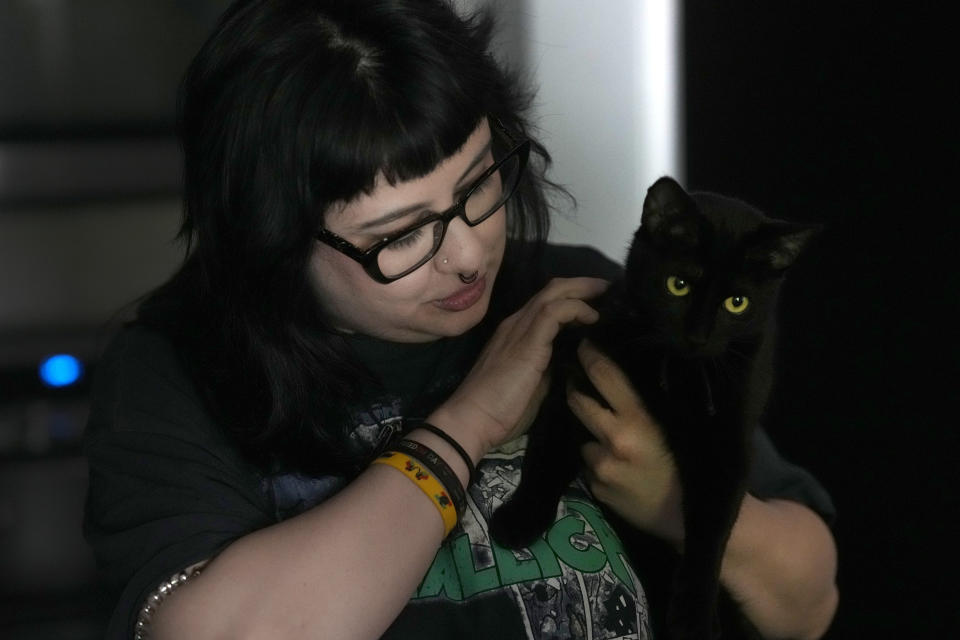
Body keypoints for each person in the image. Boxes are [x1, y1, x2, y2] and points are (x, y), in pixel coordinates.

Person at [82, 1, 838, 638]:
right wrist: (469, 421)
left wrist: (678, 500)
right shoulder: (174, 369)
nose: (471, 256)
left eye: (480, 186)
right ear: (270, 240)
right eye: (399, 237)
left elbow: (809, 603)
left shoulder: (575, 294)